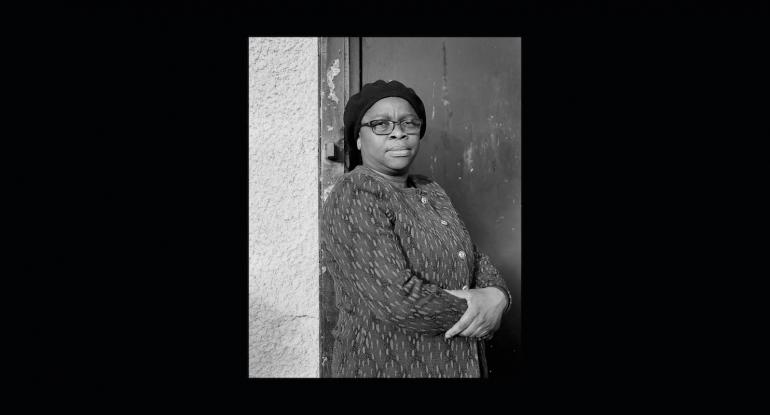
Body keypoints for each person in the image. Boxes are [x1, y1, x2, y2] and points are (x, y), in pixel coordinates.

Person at [320, 79, 512, 378]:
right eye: (381, 124)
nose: (398, 131)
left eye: (408, 122)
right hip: (389, 364)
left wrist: (499, 296)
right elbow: (396, 298)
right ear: (358, 139)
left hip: (460, 365)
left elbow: (471, 257)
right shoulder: (355, 192)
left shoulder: (430, 190)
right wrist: (481, 308)